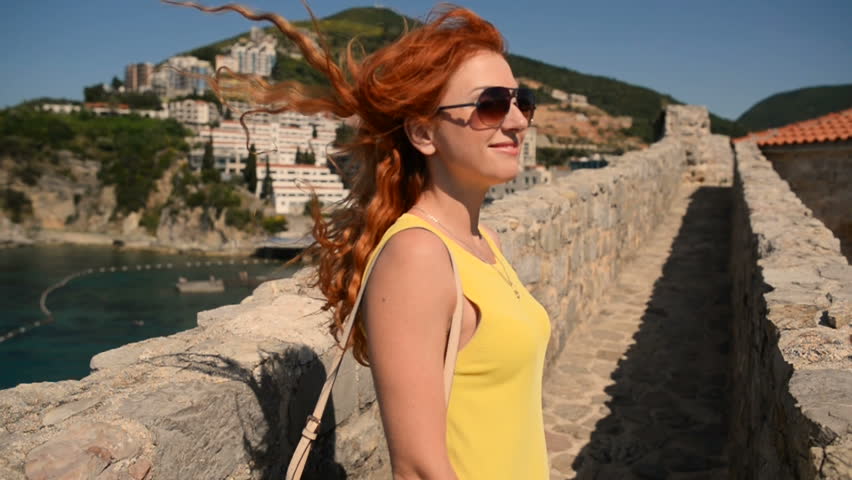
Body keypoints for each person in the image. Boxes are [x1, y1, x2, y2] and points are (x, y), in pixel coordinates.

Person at [166, 2, 551, 478]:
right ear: (423, 132)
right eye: (491, 104)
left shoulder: (482, 241)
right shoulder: (417, 255)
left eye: (522, 101)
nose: (515, 121)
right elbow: (418, 466)